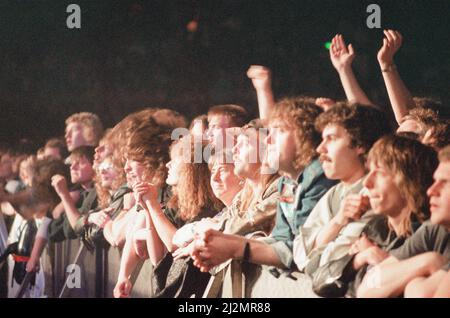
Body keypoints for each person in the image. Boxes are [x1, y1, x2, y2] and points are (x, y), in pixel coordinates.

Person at [190, 98, 336, 274]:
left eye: (279, 131)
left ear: (304, 137)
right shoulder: (287, 183)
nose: (269, 141)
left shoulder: (320, 177)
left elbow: (299, 252)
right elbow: (281, 238)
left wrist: (235, 248)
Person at [292, 103, 391, 278]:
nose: (320, 149)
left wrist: (316, 247)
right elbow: (299, 251)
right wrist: (337, 222)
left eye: (331, 138)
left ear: (360, 143)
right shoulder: (335, 192)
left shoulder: (374, 195)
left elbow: (328, 264)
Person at [341, 135, 438, 297]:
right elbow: (323, 283)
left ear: (409, 180)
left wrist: (381, 260)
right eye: (369, 171)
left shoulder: (432, 235)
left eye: (379, 172)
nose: (366, 183)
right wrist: (358, 260)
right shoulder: (375, 228)